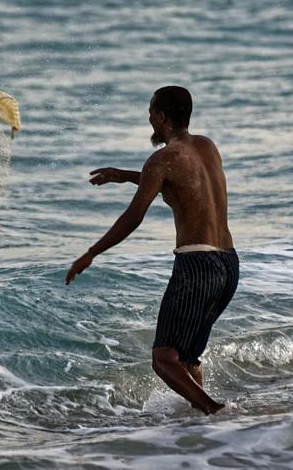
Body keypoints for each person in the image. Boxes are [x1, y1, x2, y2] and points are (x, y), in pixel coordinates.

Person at [64, 85, 238, 416]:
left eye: (150, 113)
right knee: (186, 359)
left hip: (197, 265)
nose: (148, 119)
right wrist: (124, 175)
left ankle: (213, 410)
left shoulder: (161, 160)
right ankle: (207, 427)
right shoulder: (207, 147)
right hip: (229, 264)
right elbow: (184, 182)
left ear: (161, 117)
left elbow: (133, 217)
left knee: (163, 359)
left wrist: (91, 253)